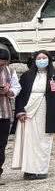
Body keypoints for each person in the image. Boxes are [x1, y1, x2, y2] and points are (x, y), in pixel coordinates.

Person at [15, 50, 55, 179]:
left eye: (44, 58)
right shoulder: (27, 75)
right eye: (39, 58)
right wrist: (20, 111)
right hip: (29, 110)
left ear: (49, 60)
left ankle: (40, 170)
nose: (42, 60)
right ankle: (29, 170)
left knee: (43, 140)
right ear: (34, 60)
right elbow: (20, 95)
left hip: (46, 110)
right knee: (29, 140)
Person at [0, 46, 18, 179]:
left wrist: (9, 91)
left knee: (1, 145)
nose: (1, 66)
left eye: (3, 64)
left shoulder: (10, 71)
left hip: (4, 114)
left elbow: (17, 87)